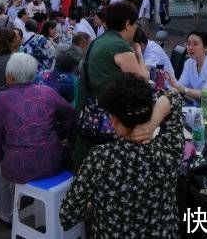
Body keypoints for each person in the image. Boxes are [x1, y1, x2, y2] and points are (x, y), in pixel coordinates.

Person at [61, 73, 183, 238]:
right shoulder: (169, 149)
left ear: (113, 120)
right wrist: (152, 123)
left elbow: (68, 214)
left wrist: (95, 205)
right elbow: (173, 96)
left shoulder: (100, 159)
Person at [0, 53, 76, 227]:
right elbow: (71, 115)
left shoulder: (0, 99)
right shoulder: (47, 92)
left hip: (18, 166)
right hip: (52, 160)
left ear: (10, 76)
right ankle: (29, 201)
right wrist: (60, 135)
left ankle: (6, 215)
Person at [73, 1, 152, 168]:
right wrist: (138, 53)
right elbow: (142, 79)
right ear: (127, 24)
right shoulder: (119, 45)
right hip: (108, 121)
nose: (136, 27)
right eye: (135, 23)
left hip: (89, 114)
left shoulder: (99, 41)